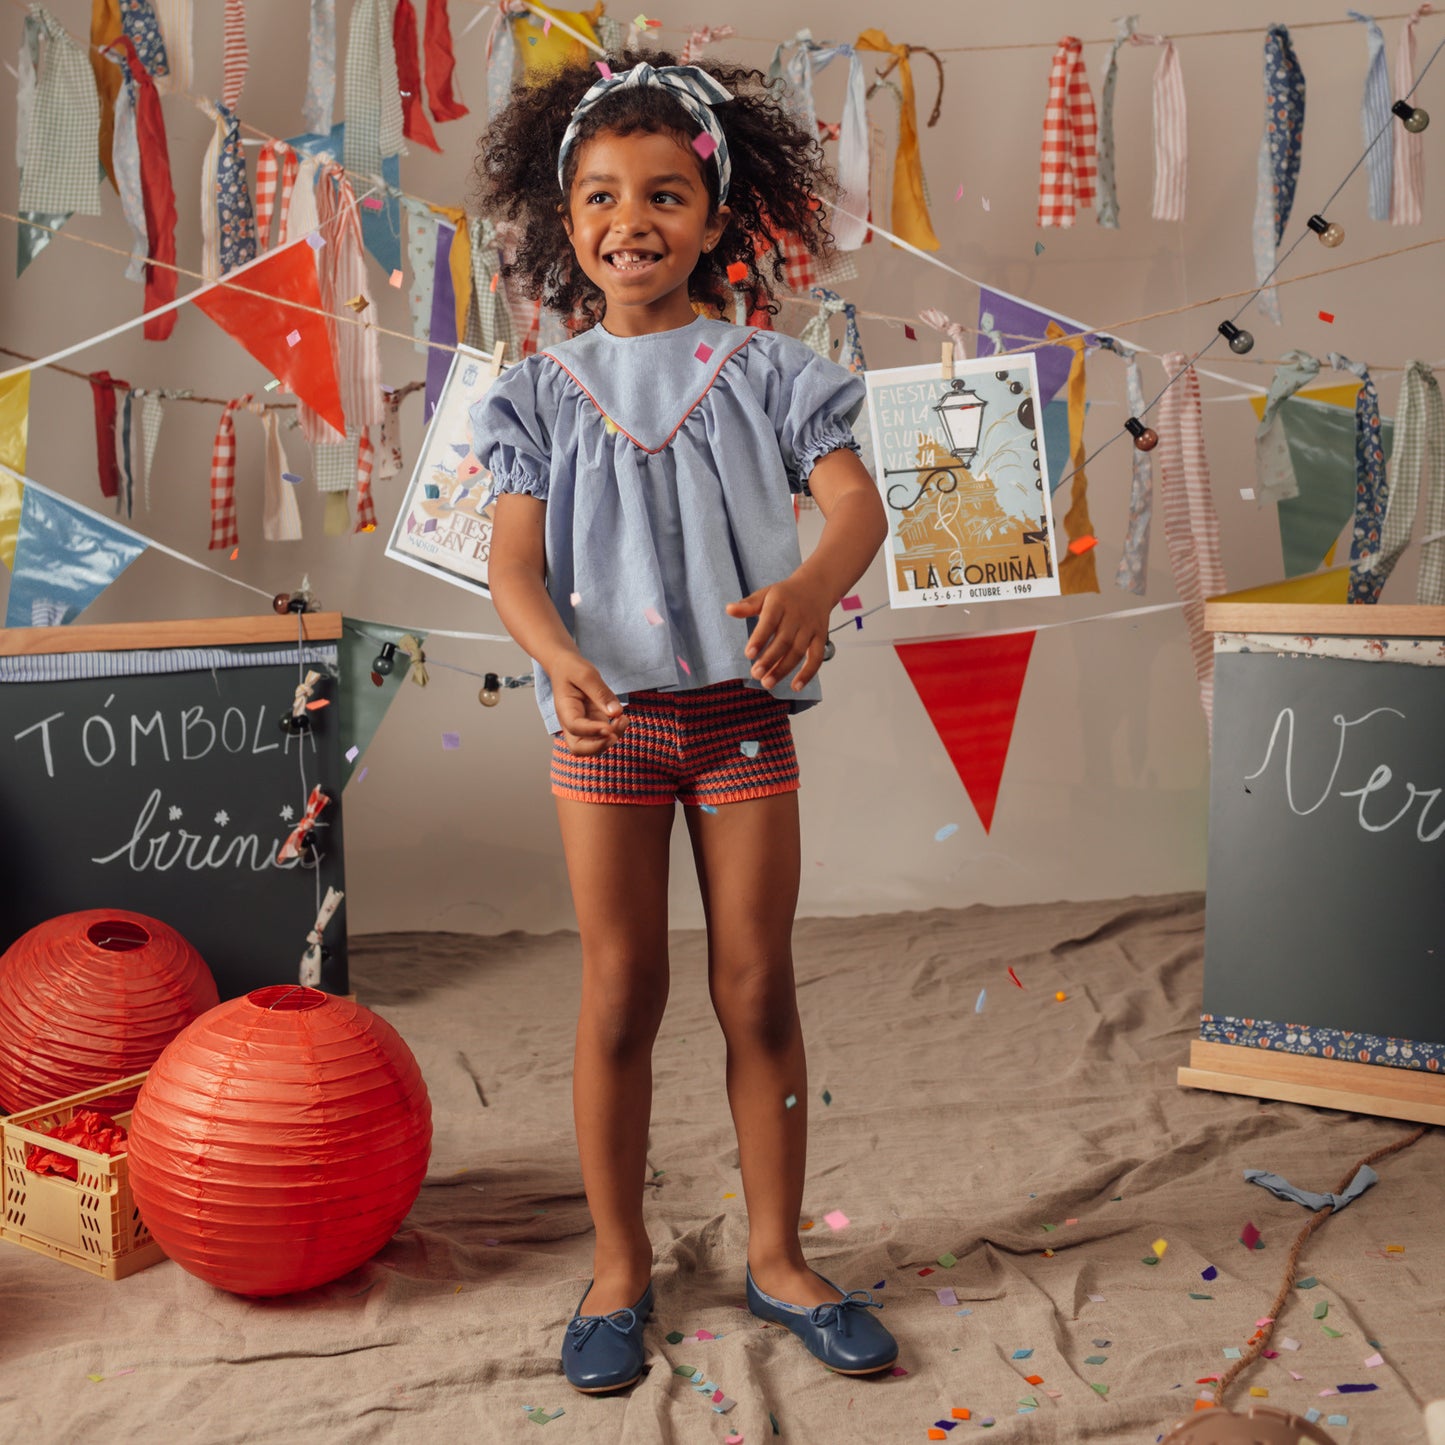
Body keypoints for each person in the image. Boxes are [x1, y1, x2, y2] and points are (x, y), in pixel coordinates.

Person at [469, 49, 894, 1395]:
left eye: (663, 195)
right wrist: (556, 662)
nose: (629, 222)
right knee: (620, 994)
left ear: (714, 218)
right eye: (599, 198)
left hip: (734, 722)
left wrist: (812, 585)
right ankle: (616, 1262)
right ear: (564, 221)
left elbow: (855, 506)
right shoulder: (538, 393)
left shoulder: (772, 369)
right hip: (604, 733)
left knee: (755, 983)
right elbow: (514, 569)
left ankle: (778, 1254)